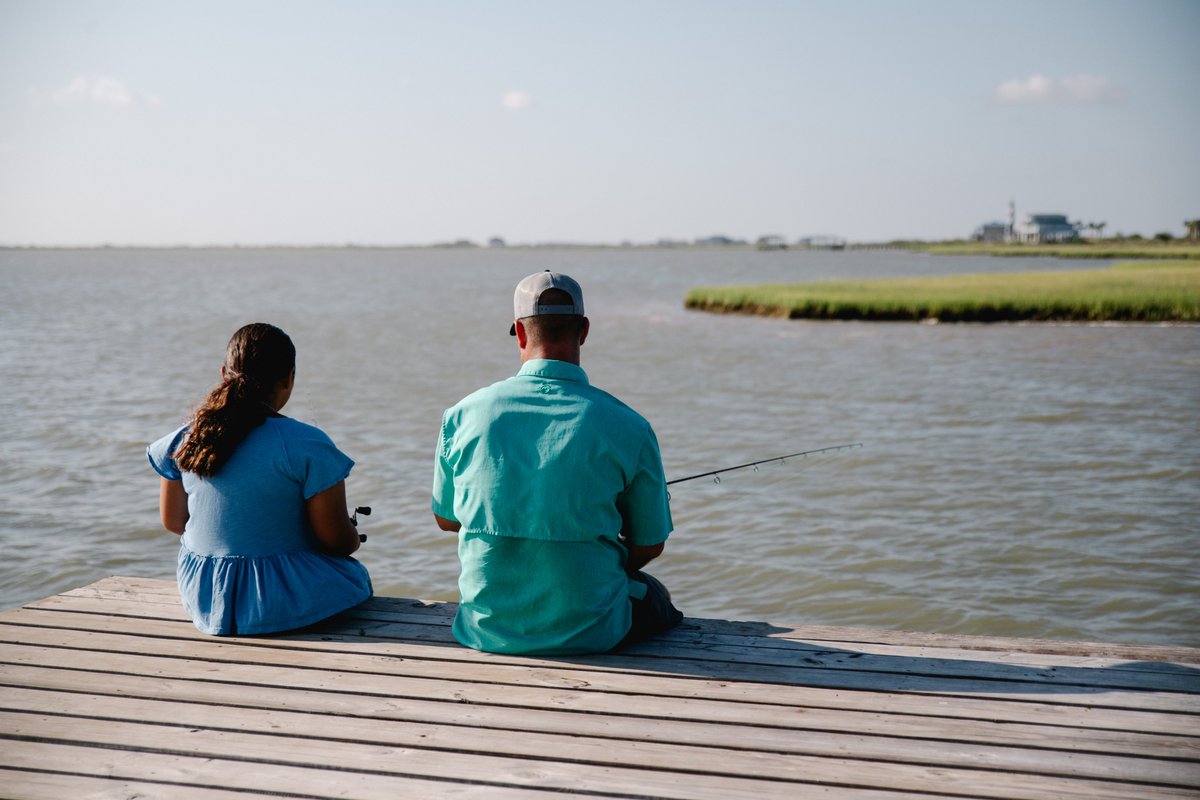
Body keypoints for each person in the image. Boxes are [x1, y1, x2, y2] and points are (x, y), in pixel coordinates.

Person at [433, 271, 682, 655]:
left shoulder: (462, 415)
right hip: (593, 633)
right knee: (655, 595)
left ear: (519, 332)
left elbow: (448, 519)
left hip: (485, 629)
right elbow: (650, 544)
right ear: (583, 331)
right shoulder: (630, 426)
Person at [147, 322, 372, 635]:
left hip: (205, 594)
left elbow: (174, 522)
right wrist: (350, 534)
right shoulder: (307, 443)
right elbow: (337, 542)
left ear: (224, 373)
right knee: (354, 578)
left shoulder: (186, 439)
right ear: (289, 378)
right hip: (281, 600)